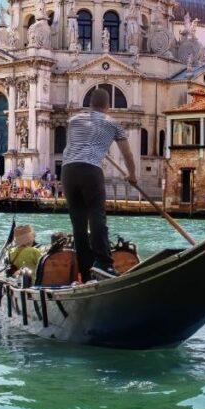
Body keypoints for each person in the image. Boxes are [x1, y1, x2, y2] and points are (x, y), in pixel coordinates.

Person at [61, 88, 137, 281]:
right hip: (90, 169)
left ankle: (86, 272)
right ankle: (103, 264)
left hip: (68, 171)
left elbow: (75, 145)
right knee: (97, 216)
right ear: (108, 106)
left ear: (90, 104)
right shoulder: (113, 124)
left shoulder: (73, 121)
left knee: (78, 223)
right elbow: (127, 154)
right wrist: (133, 175)